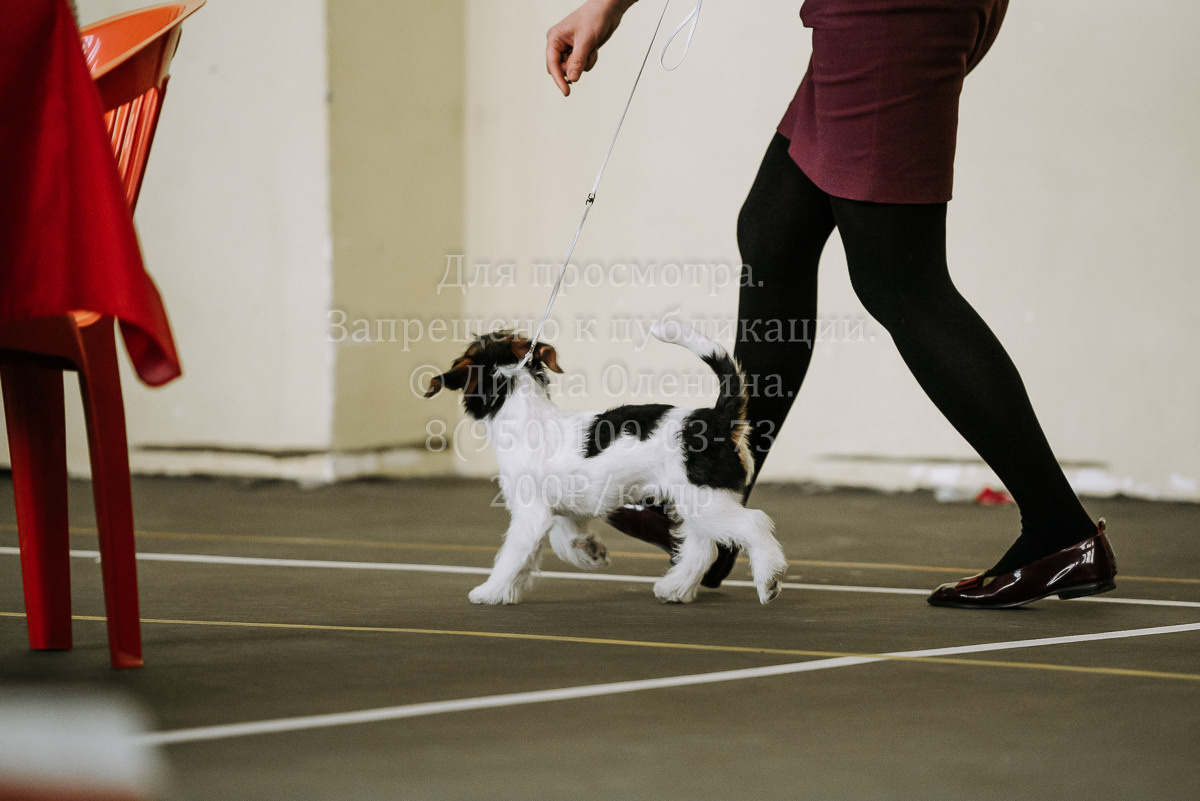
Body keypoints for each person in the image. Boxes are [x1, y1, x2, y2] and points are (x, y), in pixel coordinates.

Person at [545, 0, 1117, 608]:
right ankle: (710, 505)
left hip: (885, 11)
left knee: (903, 283)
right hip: (875, 13)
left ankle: (1061, 530)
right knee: (775, 238)